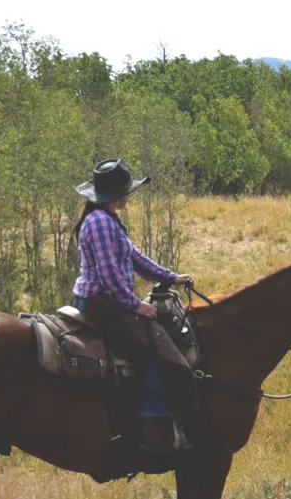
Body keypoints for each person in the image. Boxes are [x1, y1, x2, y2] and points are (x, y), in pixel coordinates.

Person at [72, 158, 198, 450]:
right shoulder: (101, 223)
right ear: (115, 194)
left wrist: (171, 276)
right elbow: (110, 275)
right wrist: (134, 305)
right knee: (156, 347)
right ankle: (153, 422)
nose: (129, 195)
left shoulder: (107, 219)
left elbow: (135, 258)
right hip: (101, 303)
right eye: (126, 190)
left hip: (109, 300)